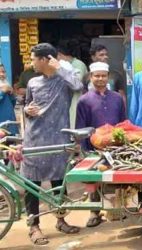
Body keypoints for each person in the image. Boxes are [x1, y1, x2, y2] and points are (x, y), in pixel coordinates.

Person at [22, 43, 83, 245]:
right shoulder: (32, 82)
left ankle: (60, 220)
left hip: (58, 138)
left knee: (59, 182)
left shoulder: (63, 80)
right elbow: (26, 106)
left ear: (45, 60)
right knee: (32, 184)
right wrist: (26, 110)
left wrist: (61, 67)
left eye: (33, 59)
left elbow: (78, 86)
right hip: (35, 139)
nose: (31, 63)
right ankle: (34, 226)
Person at [76, 62, 126, 227]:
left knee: (116, 177)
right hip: (93, 147)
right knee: (94, 180)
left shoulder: (117, 98)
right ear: (91, 77)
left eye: (103, 76)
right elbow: (81, 127)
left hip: (115, 146)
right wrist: (85, 149)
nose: (100, 79)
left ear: (108, 77)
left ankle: (116, 210)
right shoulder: (84, 100)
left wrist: (121, 143)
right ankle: (94, 213)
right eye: (96, 76)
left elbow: (123, 123)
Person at [57, 40, 89, 128]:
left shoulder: (78, 64)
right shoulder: (62, 65)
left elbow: (76, 84)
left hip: (76, 102)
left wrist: (60, 69)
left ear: (59, 54)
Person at [0, 64, 18, 135]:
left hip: (10, 126)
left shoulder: (6, 86)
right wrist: (2, 92)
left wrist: (12, 94)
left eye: (3, 72)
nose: (2, 74)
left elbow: (12, 104)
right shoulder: (4, 89)